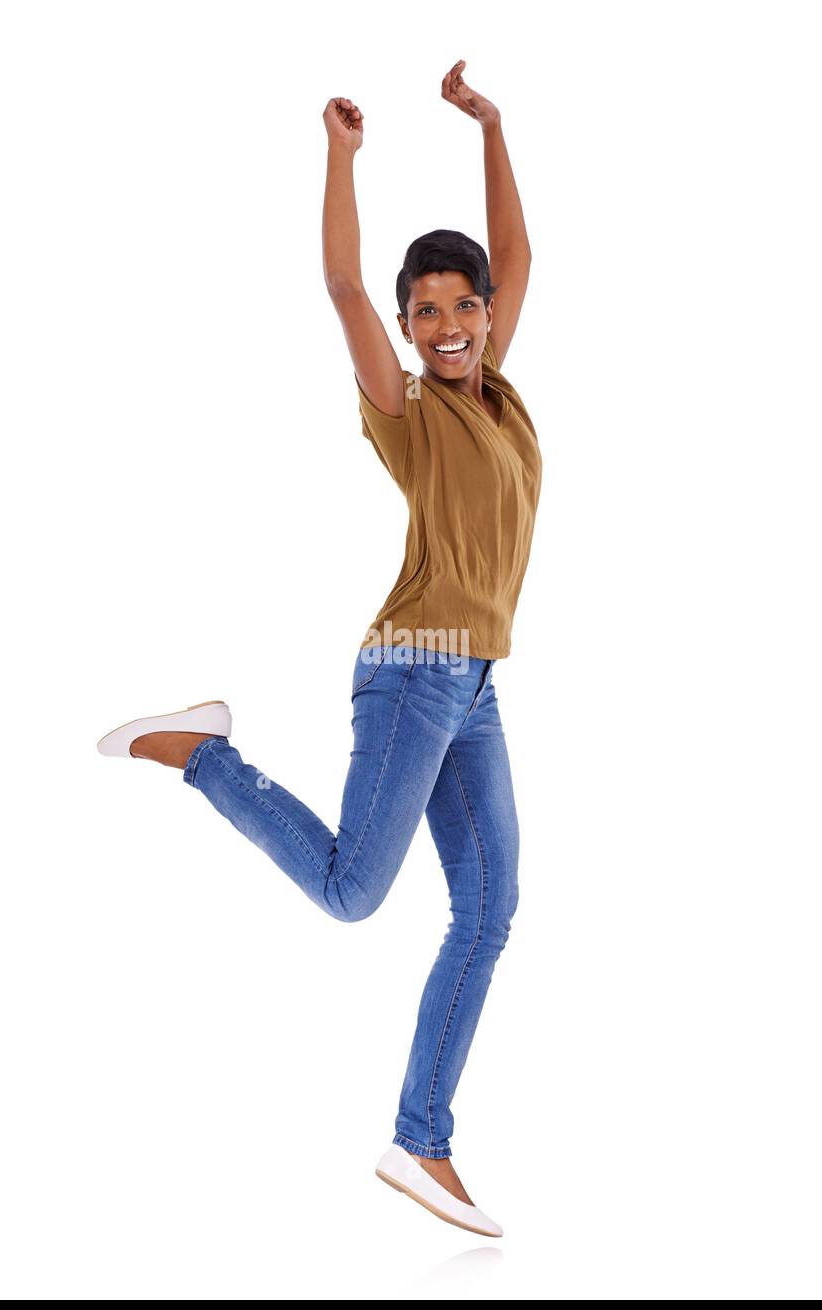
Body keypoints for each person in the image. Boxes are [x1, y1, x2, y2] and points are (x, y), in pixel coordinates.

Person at [97, 60, 541, 1238]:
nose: (445, 325)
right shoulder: (411, 407)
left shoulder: (497, 394)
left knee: (491, 906)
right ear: (406, 330)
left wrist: (491, 126)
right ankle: (205, 756)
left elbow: (522, 253)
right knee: (354, 893)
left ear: (486, 313)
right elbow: (342, 280)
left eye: (463, 305)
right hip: (412, 670)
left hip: (474, 679)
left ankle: (420, 1140)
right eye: (426, 311)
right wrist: (342, 154)